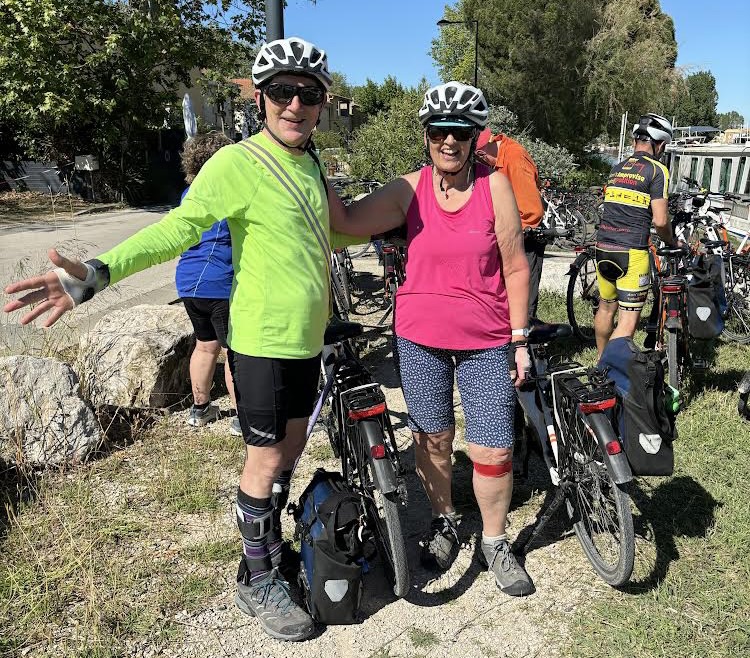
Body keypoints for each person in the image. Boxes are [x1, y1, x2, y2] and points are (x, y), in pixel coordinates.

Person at [3, 37, 396, 642]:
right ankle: (257, 576)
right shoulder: (238, 162)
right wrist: (101, 272)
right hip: (262, 343)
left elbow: (330, 234)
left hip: (305, 341)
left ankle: (266, 546)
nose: (295, 104)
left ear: (321, 104)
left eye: (308, 94)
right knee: (264, 459)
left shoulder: (312, 164)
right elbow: (178, 229)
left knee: (288, 454)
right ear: (262, 98)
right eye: (282, 92)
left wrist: (412, 220)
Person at [335, 82, 534, 596]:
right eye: (440, 131)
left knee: (492, 447)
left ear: (474, 138)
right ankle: (445, 520)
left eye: (460, 132)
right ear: (426, 136)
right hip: (419, 339)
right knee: (434, 439)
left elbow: (515, 265)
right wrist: (302, 166)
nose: (450, 141)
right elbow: (347, 221)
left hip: (487, 340)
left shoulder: (496, 188)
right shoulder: (409, 189)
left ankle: (494, 541)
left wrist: (519, 338)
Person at [594, 113, 676, 356]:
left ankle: (600, 361)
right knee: (627, 323)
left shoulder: (617, 168)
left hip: (603, 248)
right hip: (632, 252)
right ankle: (609, 375)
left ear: (634, 142)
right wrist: (672, 240)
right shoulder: (657, 170)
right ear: (659, 144)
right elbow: (660, 221)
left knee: (606, 308)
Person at [175, 131, 241, 435]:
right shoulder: (227, 190)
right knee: (235, 350)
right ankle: (244, 416)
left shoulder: (189, 193)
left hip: (189, 281)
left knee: (205, 346)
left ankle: (200, 410)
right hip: (219, 281)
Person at [476, 129, 545, 320]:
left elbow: (531, 212)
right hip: (505, 236)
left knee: (522, 301)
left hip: (525, 239)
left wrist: (505, 236)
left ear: (481, 152)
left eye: (479, 159)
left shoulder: (515, 159)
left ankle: (527, 345)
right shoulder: (495, 159)